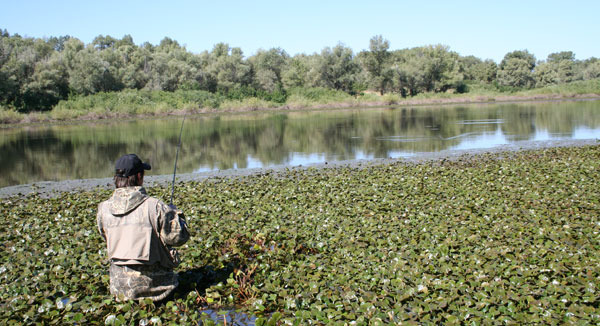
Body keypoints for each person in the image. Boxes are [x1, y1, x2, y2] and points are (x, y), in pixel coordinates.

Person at [96, 153, 190, 301]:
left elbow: (104, 236)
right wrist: (175, 214)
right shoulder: (155, 207)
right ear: (139, 176)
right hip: (157, 291)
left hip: (119, 292)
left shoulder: (103, 209)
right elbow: (179, 237)